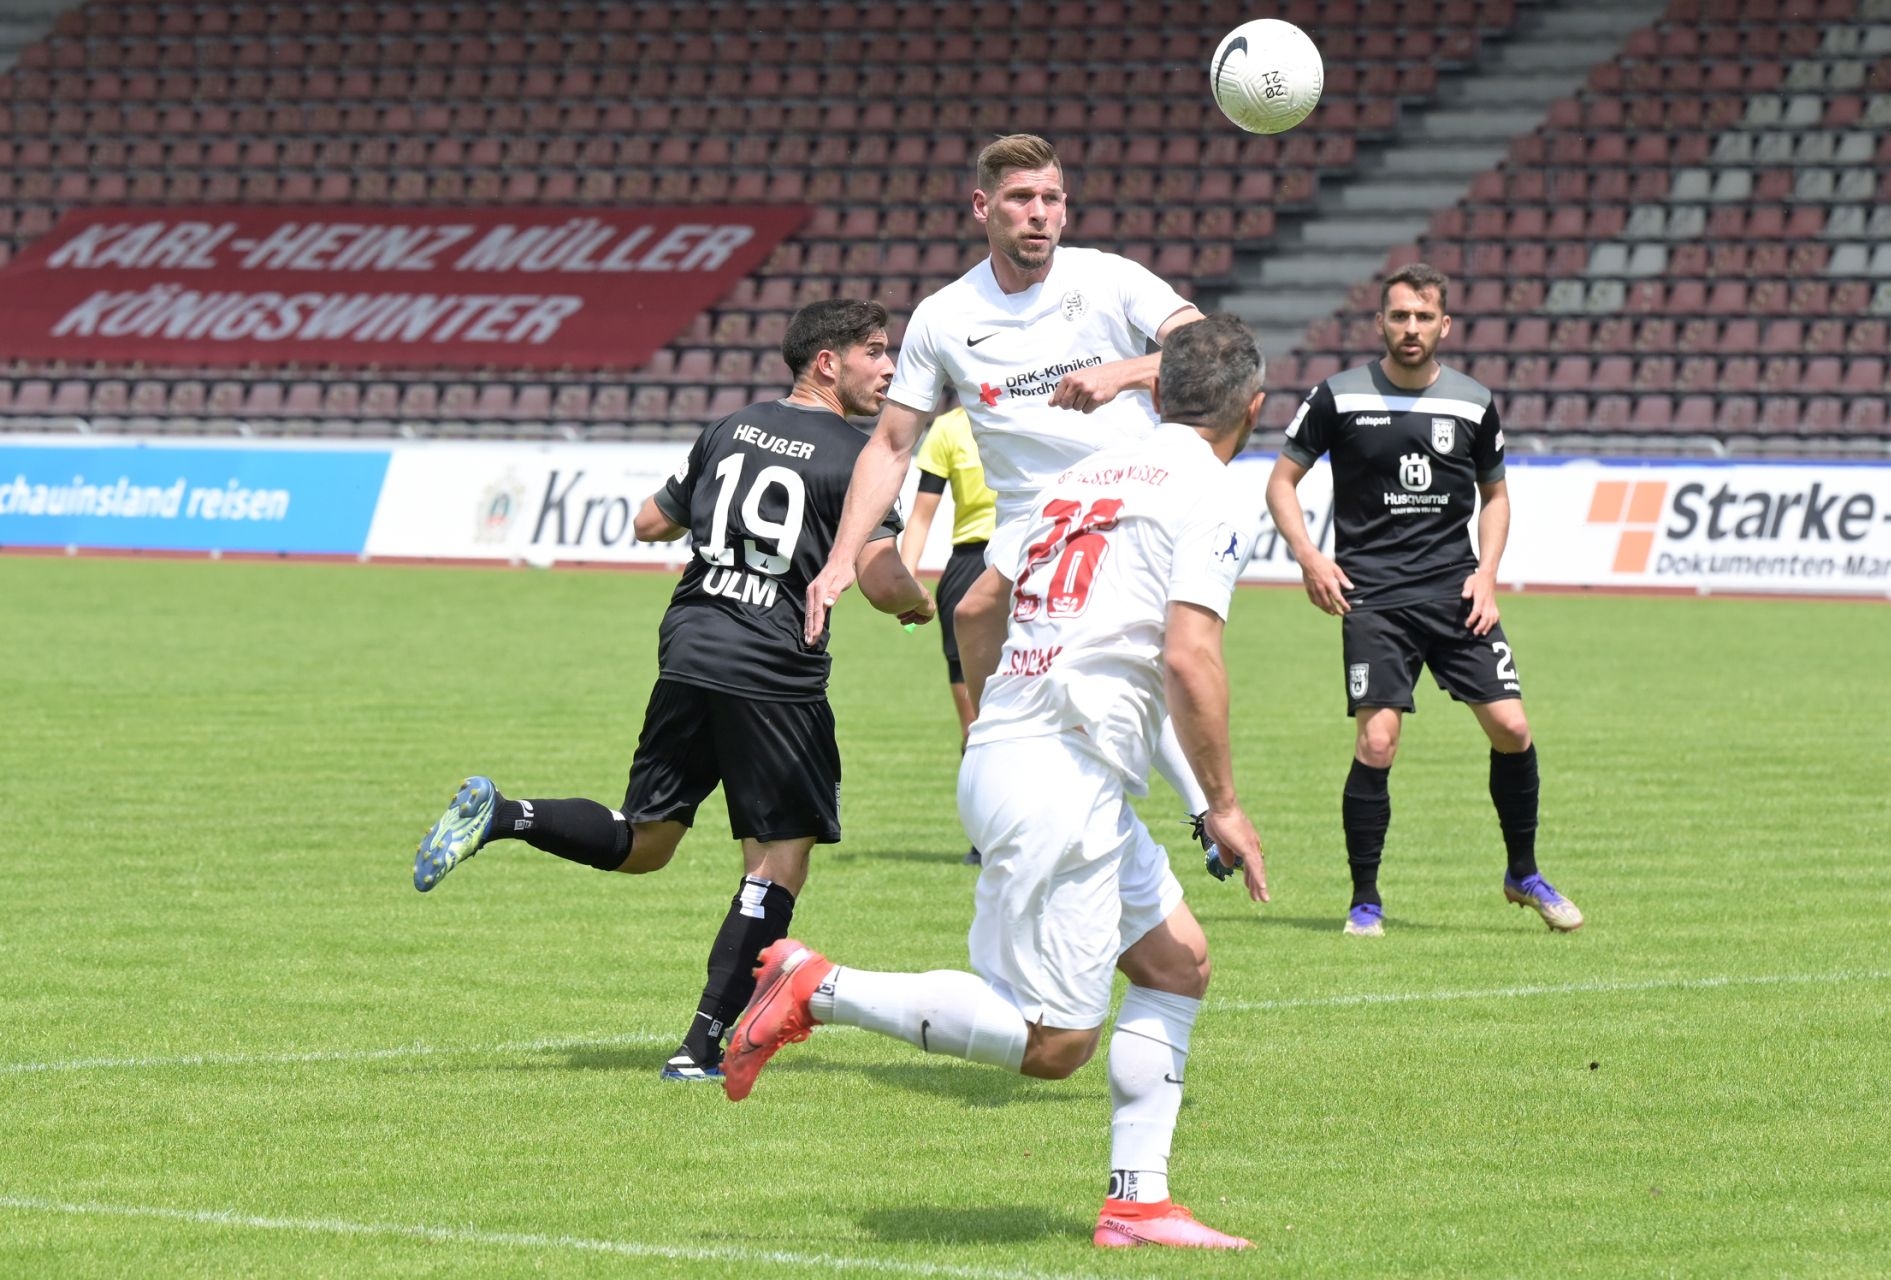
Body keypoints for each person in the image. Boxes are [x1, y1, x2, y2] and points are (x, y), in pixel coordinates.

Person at [723, 316, 1271, 1252]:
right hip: (1062, 778)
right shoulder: (1211, 492)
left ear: (1156, 392)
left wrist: (997, 720)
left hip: (1021, 756)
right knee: (1054, 1044)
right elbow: (1190, 656)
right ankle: (818, 986)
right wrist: (1221, 805)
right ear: (1252, 410)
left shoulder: (1083, 475)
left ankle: (1138, 1205)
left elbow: (978, 605)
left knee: (1178, 963)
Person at [411, 299, 935, 1081]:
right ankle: (699, 1048)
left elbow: (648, 523)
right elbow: (884, 581)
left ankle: (506, 815)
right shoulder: (857, 459)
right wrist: (919, 603)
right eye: (875, 352)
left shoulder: (729, 427)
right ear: (827, 363)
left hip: (690, 647)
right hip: (772, 668)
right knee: (778, 859)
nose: (889, 368)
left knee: (647, 843)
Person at [802, 133, 1218, 852]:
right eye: (1021, 198)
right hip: (1031, 514)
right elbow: (892, 444)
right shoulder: (945, 316)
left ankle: (1206, 811)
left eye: (1051, 198)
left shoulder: (1109, 277)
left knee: (1083, 656)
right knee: (973, 615)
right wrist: (842, 559)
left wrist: (1126, 371)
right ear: (982, 206)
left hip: (1125, 493)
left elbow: (1212, 349)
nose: (1038, 213)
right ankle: (1025, 765)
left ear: (1066, 208)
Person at [1265, 263, 1582, 937]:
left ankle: (1523, 873)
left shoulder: (1473, 401)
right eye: (1400, 316)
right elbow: (1281, 482)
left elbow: (1496, 497)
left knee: (1513, 729)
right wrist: (1310, 557)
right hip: (1374, 596)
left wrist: (1487, 573)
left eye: (1423, 316)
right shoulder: (1337, 397)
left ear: (1445, 325)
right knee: (1378, 741)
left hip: (1455, 591)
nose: (1411, 328)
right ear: (1380, 322)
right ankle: (1365, 901)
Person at [896, 404, 997, 864]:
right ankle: (985, 835)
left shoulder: (1041, 407)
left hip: (1036, 558)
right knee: (974, 721)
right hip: (971, 566)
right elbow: (921, 516)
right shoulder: (949, 429)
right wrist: (905, 583)